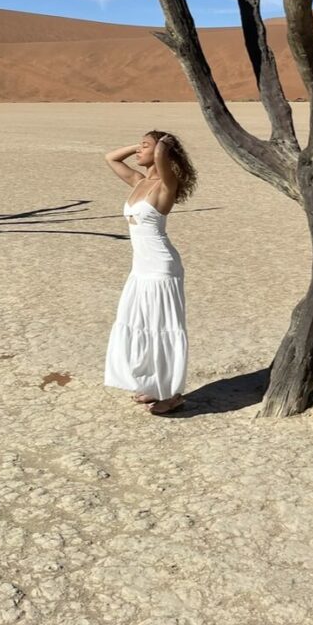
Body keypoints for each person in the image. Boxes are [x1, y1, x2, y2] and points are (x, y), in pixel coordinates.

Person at [103, 130, 198, 414]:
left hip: (161, 267)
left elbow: (160, 158)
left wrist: (162, 147)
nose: (137, 152)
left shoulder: (166, 185)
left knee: (164, 329)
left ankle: (173, 394)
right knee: (141, 324)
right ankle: (154, 387)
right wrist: (141, 144)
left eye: (145, 147)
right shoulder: (139, 181)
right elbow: (110, 158)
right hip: (140, 268)